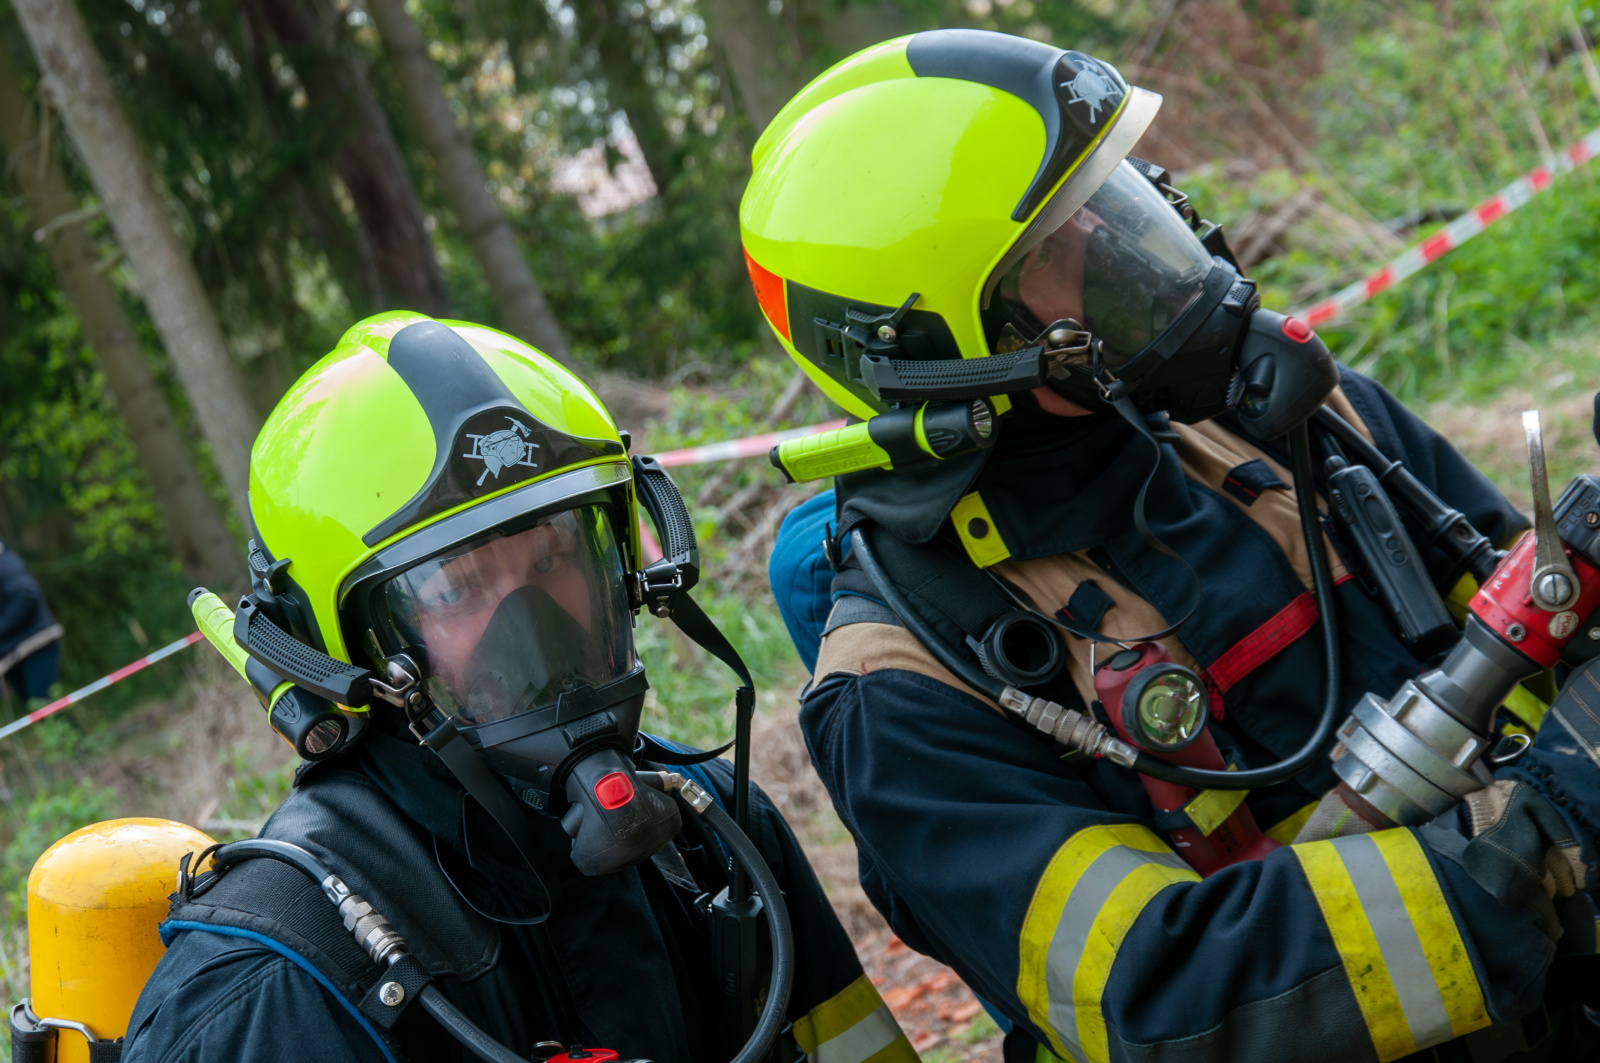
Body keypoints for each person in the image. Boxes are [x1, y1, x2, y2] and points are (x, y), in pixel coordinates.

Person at [744, 29, 1600, 1063]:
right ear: (936, 352)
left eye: (1122, 191)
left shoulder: (1308, 431)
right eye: (1069, 238)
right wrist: (1539, 834)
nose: (1133, 240)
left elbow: (1551, 626)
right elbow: (1162, 997)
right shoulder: (904, 697)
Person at [121, 313, 917, 1063]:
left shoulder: (714, 829)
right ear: (342, 649)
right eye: (456, 589)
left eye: (552, 559)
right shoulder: (275, 998)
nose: (536, 627)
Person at [0, 537, 62, 709]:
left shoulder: (5, 563)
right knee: (37, 711)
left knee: (45, 708)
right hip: (11, 657)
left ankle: (75, 737)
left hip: (36, 644)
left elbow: (26, 595)